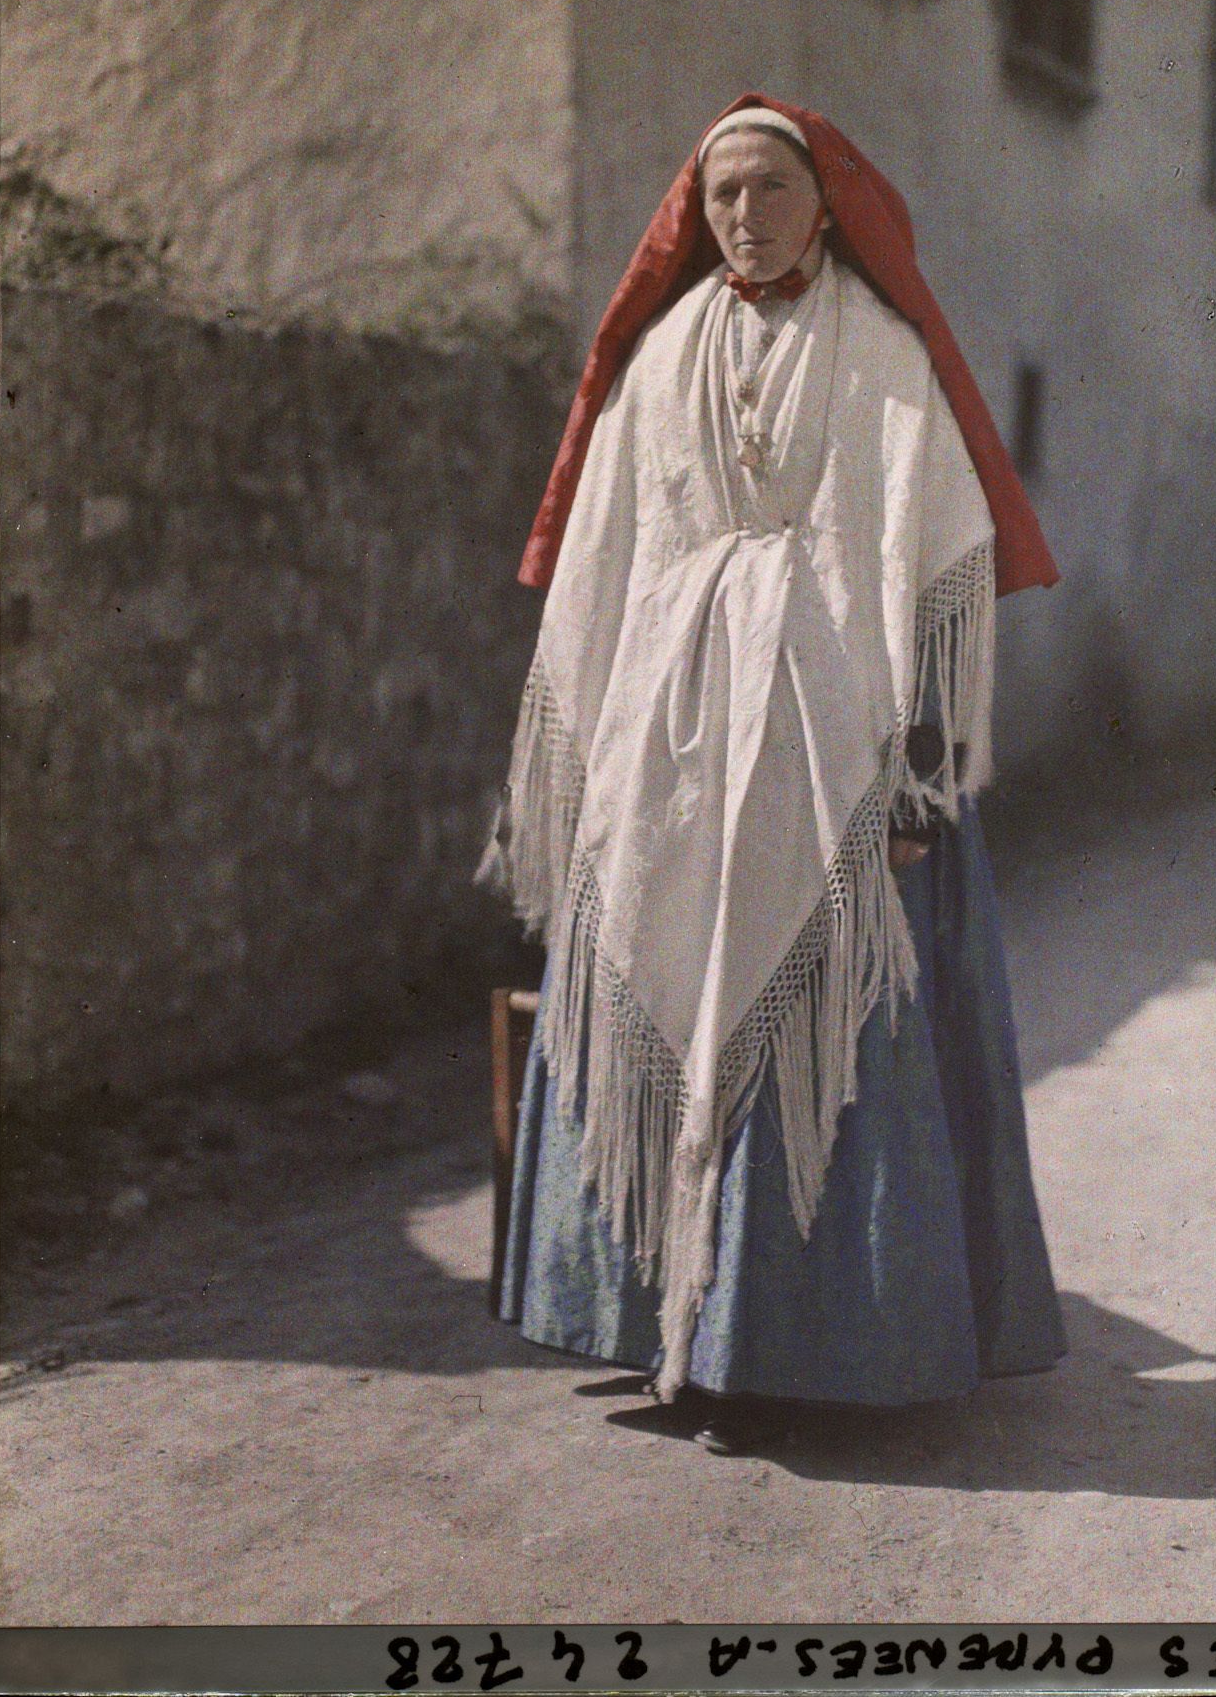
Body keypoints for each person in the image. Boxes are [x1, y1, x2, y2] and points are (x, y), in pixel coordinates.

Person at [484, 96, 1066, 1445]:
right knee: (647, 970)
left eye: (770, 190)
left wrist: (919, 781)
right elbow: (604, 558)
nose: (744, 217)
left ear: (827, 203)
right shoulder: (664, 349)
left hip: (835, 742)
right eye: (721, 195)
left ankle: (823, 1346)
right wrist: (587, 768)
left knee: (844, 1016)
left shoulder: (878, 352)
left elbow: (928, 563)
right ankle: (647, 1319)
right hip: (669, 737)